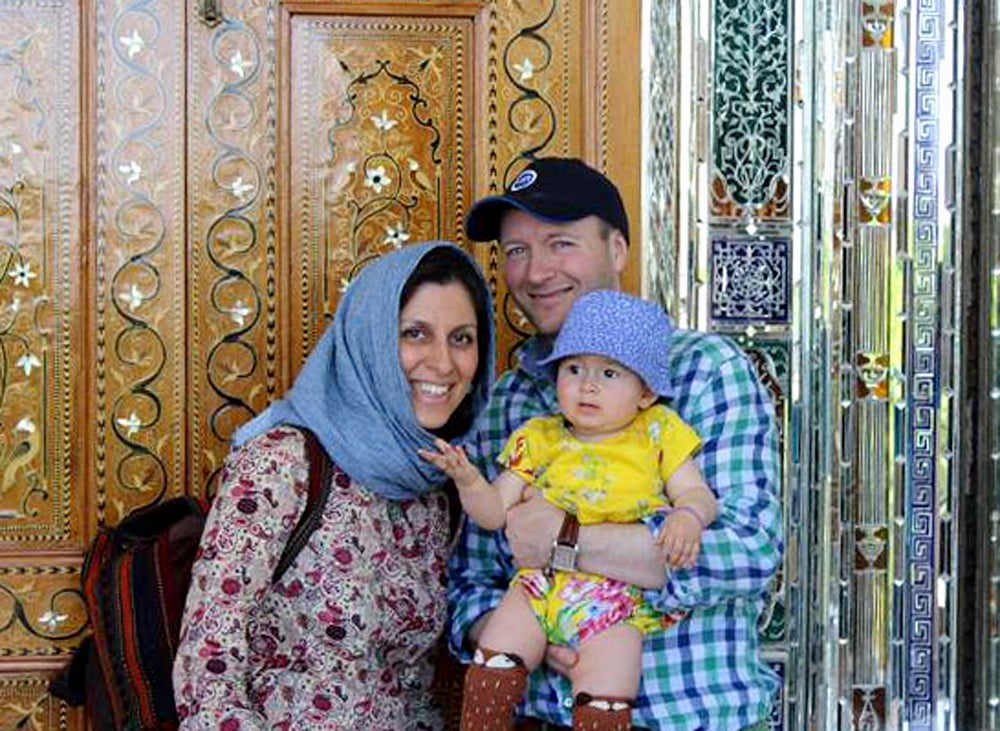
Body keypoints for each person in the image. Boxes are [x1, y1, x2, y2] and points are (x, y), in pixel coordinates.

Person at [448, 157, 783, 731]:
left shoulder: (702, 371)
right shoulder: (510, 400)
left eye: (560, 243)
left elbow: (748, 553)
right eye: (516, 251)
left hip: (690, 719)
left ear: (619, 251)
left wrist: (567, 543)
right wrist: (529, 634)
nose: (535, 271)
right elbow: (472, 582)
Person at [172, 242, 495, 730]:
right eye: (415, 334)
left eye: (463, 339)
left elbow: (409, 685)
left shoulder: (437, 485)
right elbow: (209, 658)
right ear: (369, 338)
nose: (444, 363)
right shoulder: (285, 460)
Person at [422, 289, 718, 730]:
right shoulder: (539, 437)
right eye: (573, 368)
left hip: (615, 598)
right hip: (540, 585)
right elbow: (493, 515)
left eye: (610, 373)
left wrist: (686, 517)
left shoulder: (659, 432)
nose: (588, 384)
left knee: (610, 684)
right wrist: (468, 480)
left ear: (645, 392)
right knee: (497, 654)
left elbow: (698, 494)